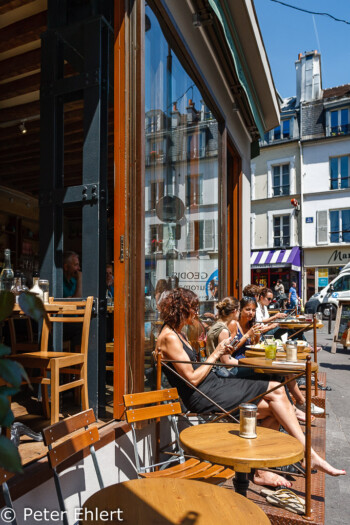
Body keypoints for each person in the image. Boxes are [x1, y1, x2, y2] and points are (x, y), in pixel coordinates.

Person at [156, 288, 345, 486]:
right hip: (203, 394)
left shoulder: (178, 333)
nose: (195, 312)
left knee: (274, 407)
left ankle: (264, 471)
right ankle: (307, 454)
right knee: (275, 388)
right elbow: (192, 379)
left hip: (212, 384)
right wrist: (216, 353)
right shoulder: (169, 337)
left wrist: (221, 351)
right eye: (192, 308)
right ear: (181, 309)